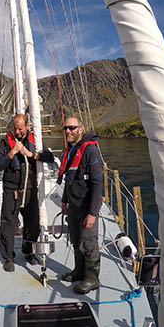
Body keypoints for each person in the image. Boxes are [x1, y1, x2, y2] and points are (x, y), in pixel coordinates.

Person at [0, 114, 54, 272]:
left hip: (29, 189)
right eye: (15, 128)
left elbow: (50, 157)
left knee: (33, 223)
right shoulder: (6, 141)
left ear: (27, 126)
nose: (17, 131)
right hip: (11, 190)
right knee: (8, 224)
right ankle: (8, 257)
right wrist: (12, 153)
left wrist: (32, 154)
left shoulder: (36, 140)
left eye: (20, 128)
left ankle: (28, 251)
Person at [58, 116, 103, 294]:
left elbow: (97, 183)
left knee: (88, 242)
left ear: (80, 129)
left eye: (72, 128)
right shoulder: (71, 151)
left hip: (86, 207)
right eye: (66, 128)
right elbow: (70, 180)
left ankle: (92, 279)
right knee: (76, 240)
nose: (68, 131)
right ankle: (79, 271)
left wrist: (92, 213)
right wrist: (64, 200)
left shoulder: (90, 151)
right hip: (74, 206)